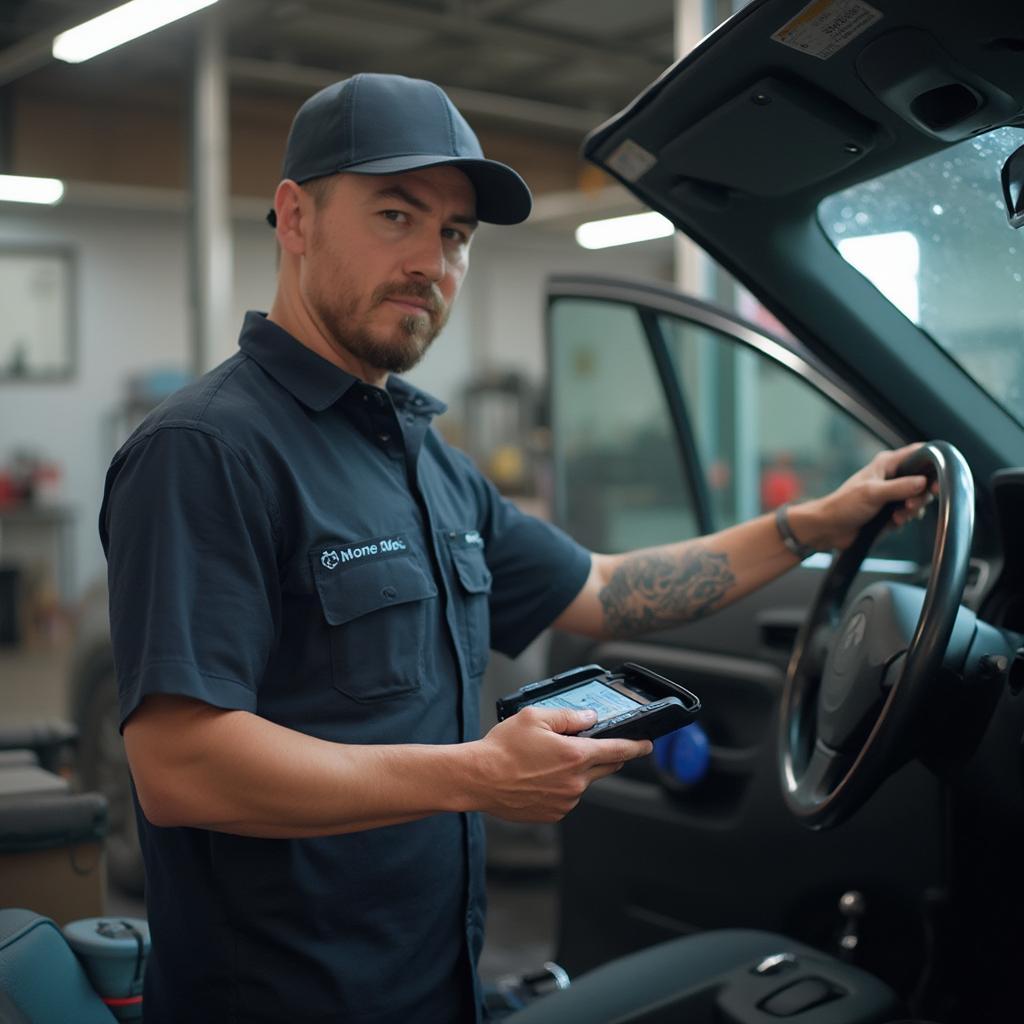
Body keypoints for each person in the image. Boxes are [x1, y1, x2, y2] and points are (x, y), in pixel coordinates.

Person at [99, 73, 931, 1024]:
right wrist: (479, 775)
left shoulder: (424, 461)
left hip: (439, 987)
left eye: (454, 236)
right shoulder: (205, 452)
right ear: (296, 218)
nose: (430, 260)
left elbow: (609, 592)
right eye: (395, 214)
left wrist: (810, 528)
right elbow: (180, 766)